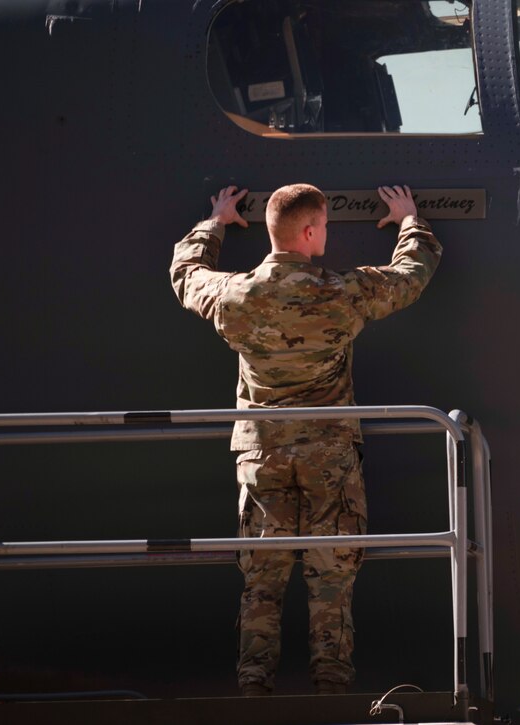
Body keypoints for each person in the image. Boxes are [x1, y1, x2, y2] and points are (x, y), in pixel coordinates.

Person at [169, 183, 442, 696]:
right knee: (331, 575)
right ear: (312, 231)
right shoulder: (342, 293)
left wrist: (216, 221)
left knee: (262, 580)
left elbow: (186, 276)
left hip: (260, 455)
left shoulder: (237, 296)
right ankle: (331, 688)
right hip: (329, 458)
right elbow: (411, 276)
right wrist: (409, 221)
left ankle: (253, 688)